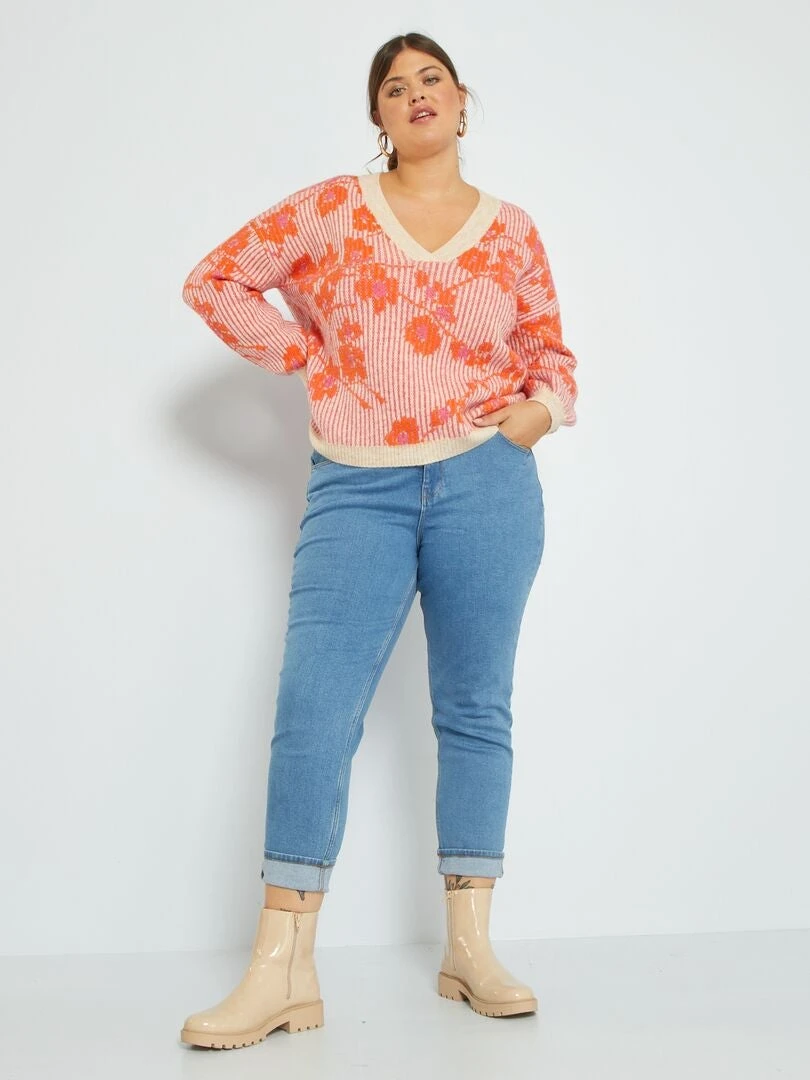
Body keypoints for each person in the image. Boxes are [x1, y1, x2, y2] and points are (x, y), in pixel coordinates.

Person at [178, 30, 578, 1050]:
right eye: (395, 87)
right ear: (379, 117)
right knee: (314, 710)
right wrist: (306, 357)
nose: (416, 95)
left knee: (475, 709)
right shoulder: (331, 209)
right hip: (357, 487)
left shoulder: (513, 229)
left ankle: (470, 947)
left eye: (431, 80)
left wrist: (536, 414)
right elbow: (216, 280)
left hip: (488, 483)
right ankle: (281, 967)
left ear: (462, 100)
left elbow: (551, 352)